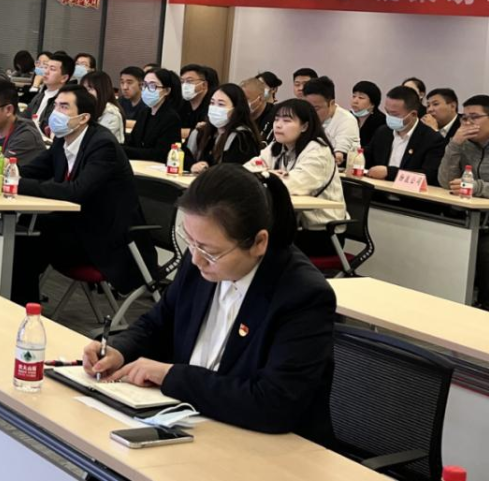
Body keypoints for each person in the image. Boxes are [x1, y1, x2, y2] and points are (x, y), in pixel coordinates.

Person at [84, 165, 335, 443]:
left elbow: (273, 404)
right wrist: (121, 349)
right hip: (193, 422)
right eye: (190, 241)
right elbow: (159, 323)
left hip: (267, 445)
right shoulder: (200, 260)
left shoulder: (302, 295)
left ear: (259, 243)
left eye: (210, 251)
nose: (196, 259)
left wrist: (172, 376)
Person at [13, 85, 148, 304]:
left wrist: (18, 184)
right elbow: (31, 170)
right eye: (56, 106)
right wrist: (3, 173)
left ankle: (24, 306)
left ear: (84, 117)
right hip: (77, 225)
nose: (56, 112)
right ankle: (22, 302)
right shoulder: (63, 139)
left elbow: (76, 192)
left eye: (64, 107)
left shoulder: (102, 145)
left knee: (31, 238)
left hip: (104, 237)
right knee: (25, 230)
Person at [438, 95, 489, 312]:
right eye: (464, 118)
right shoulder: (465, 144)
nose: (467, 123)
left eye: (474, 118)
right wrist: (454, 144)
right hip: (470, 217)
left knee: (487, 250)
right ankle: (450, 300)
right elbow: (445, 181)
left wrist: (478, 187)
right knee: (443, 237)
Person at [253, 99, 344, 257]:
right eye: (276, 119)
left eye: (286, 121)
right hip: (292, 225)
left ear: (304, 126)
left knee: (257, 244)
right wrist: (269, 175)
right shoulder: (277, 146)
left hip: (321, 233)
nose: (278, 125)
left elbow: (293, 185)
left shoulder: (317, 151)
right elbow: (248, 169)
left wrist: (267, 175)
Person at [365, 85, 446, 186]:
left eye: (394, 114)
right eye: (387, 112)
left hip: (409, 194)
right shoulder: (383, 132)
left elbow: (428, 175)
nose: (389, 117)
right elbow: (367, 157)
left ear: (413, 114)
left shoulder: (432, 139)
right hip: (378, 191)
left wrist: (390, 173)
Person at [184, 84, 261, 174]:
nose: (214, 108)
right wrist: (192, 165)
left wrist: (206, 168)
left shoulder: (242, 137)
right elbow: (182, 155)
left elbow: (233, 171)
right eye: (212, 103)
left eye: (221, 104)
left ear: (236, 109)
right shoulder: (203, 132)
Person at [124, 67, 183, 161]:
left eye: (152, 86)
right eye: (144, 85)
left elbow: (161, 154)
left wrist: (124, 150)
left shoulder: (171, 118)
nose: (146, 89)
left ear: (167, 91)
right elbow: (133, 142)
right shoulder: (144, 113)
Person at [301, 77, 360, 166]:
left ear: (331, 103)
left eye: (316, 108)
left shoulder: (347, 120)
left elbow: (339, 153)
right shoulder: (304, 118)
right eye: (308, 107)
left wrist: (338, 155)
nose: (311, 113)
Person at [25, 52, 73, 132]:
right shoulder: (40, 96)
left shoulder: (64, 102)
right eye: (46, 67)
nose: (46, 72)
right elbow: (23, 118)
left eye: (52, 69)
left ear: (64, 78)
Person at [81, 70, 125, 144]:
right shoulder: (87, 108)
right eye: (83, 89)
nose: (85, 93)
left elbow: (97, 141)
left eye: (90, 88)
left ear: (101, 90)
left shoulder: (111, 114)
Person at [350, 80, 386, 150]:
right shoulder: (348, 117)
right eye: (354, 96)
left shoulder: (381, 121)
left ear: (372, 103)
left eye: (361, 98)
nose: (355, 101)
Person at [241, 77, 275, 145]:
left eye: (246, 99)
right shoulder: (239, 116)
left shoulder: (275, 117)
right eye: (240, 99)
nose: (242, 103)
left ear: (260, 99)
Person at [178, 64, 213, 130]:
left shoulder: (212, 104)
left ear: (204, 84)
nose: (185, 85)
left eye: (189, 81)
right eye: (182, 82)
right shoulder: (181, 104)